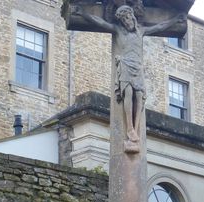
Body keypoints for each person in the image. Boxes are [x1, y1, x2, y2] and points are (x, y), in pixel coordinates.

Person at [73, 4, 186, 148]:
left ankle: (136, 128)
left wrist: (176, 20)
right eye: (124, 20)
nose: (128, 21)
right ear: (121, 22)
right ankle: (129, 127)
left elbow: (160, 26)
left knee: (139, 96)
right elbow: (100, 22)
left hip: (137, 67)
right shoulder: (118, 31)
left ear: (132, 16)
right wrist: (83, 13)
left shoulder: (141, 31)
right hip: (125, 65)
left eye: (128, 17)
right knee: (128, 93)